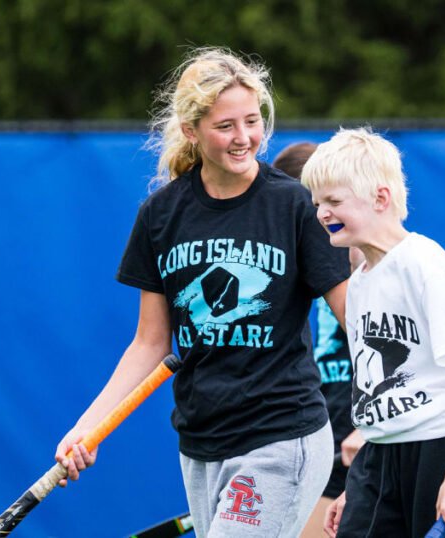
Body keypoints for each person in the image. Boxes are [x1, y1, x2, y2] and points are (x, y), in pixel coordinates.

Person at [54, 48, 350, 538]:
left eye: (252, 121)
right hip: (200, 443)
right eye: (226, 125)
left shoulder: (293, 205)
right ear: (191, 130)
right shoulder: (161, 215)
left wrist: (386, 424)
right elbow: (150, 343)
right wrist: (90, 424)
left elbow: (355, 318)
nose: (244, 138)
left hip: (283, 433)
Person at [300, 128, 445, 538]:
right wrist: (362, 488)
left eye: (334, 201)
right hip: (379, 459)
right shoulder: (360, 280)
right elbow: (377, 385)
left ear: (380, 198)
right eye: (317, 203)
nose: (321, 213)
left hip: (440, 452)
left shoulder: (422, 263)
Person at [272, 142, 366, 538]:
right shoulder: (278, 270)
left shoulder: (376, 264)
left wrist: (375, 429)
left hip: (365, 450)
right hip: (311, 449)